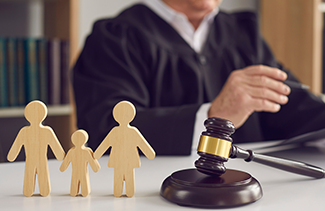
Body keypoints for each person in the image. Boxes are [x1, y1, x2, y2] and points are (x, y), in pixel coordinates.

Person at [73, 0, 325, 155]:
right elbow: (106, 130)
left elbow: (286, 103)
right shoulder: (115, 38)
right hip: (151, 199)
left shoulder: (242, 32)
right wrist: (213, 116)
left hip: (251, 192)